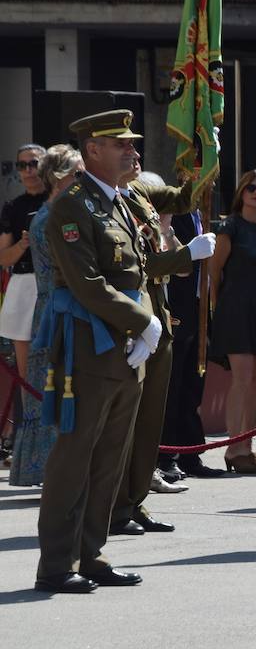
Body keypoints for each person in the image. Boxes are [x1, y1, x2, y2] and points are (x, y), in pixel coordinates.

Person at [34, 109, 157, 594]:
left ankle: (92, 552)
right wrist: (142, 322)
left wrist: (144, 327)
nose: (132, 151)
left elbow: (137, 273)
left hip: (127, 347)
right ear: (92, 151)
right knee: (75, 455)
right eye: (120, 144)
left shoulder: (119, 202)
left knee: (110, 456)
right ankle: (55, 563)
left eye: (131, 144)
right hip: (90, 346)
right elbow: (87, 284)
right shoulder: (72, 207)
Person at [109, 167, 206, 535]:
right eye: (124, 146)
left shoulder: (135, 197)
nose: (133, 153)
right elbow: (137, 264)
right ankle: (117, 506)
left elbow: (183, 199)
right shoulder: (109, 202)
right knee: (127, 425)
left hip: (157, 319)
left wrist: (205, 158)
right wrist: (186, 257)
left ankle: (134, 501)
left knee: (150, 423)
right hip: (134, 322)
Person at [9, 145, 82, 486]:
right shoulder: (54, 217)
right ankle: (54, 471)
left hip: (53, 309)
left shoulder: (52, 212)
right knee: (55, 389)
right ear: (59, 178)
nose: (83, 180)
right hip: (59, 310)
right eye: (77, 174)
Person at [207, 171, 256, 473]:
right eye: (251, 187)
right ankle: (233, 448)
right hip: (235, 308)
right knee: (242, 377)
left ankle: (247, 447)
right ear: (241, 192)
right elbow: (214, 272)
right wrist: (216, 310)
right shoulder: (230, 226)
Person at [156, 202, 221, 481]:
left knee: (193, 384)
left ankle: (190, 453)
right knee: (173, 385)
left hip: (197, 308)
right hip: (176, 307)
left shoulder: (201, 212)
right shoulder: (176, 212)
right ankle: (166, 456)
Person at [1, 143, 50, 408]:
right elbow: (2, 257)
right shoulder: (13, 207)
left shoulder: (59, 200)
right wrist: (22, 245)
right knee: (27, 372)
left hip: (57, 286)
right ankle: (29, 438)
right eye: (22, 165)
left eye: (34, 164)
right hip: (24, 286)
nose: (29, 170)